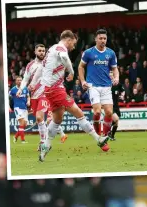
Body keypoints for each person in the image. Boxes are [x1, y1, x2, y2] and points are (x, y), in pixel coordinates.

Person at [39, 30, 109, 162]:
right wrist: (71, 72)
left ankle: (45, 146)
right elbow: (65, 58)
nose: (74, 47)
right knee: (78, 112)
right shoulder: (60, 47)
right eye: (74, 43)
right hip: (54, 89)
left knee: (57, 120)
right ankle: (98, 139)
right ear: (68, 39)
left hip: (51, 88)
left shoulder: (52, 48)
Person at [19, 44, 66, 150]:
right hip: (34, 96)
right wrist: (21, 89)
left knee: (40, 117)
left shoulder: (49, 64)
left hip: (45, 94)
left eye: (43, 51)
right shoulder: (30, 65)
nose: (42, 53)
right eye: (39, 50)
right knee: (39, 120)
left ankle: (43, 143)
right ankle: (44, 141)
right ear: (35, 52)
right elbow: (25, 79)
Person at [78, 28, 119, 137]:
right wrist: (82, 81)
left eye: (104, 38)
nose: (103, 40)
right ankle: (98, 136)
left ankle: (104, 137)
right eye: (100, 38)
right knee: (96, 112)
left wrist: (116, 78)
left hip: (106, 86)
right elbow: (81, 67)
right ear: (96, 39)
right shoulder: (88, 53)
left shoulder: (110, 53)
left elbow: (115, 68)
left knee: (109, 113)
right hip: (93, 86)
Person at [9, 76, 29, 144]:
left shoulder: (25, 88)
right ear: (16, 81)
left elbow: (28, 96)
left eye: (21, 80)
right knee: (22, 123)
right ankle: (23, 140)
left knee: (25, 124)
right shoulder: (13, 89)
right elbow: (7, 98)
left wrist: (29, 101)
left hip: (24, 108)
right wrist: (8, 107)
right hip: (17, 108)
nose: (20, 81)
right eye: (18, 80)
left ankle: (15, 137)